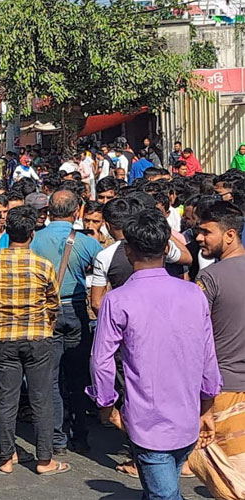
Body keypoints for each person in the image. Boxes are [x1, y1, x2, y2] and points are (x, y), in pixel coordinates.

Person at [87, 209, 221, 499]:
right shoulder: (193, 294)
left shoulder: (117, 299)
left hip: (147, 422)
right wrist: (207, 407)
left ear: (128, 250)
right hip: (186, 415)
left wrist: (107, 404)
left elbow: (101, 360)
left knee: (163, 494)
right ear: (166, 248)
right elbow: (208, 356)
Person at [0, 206, 67, 475]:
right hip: (38, 337)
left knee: (7, 401)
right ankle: (44, 459)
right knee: (41, 399)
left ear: (6, 232)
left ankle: (6, 458)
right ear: (31, 234)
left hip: (5, 338)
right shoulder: (43, 265)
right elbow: (54, 301)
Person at [30, 190, 103, 454]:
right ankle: (80, 434)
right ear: (77, 213)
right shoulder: (87, 243)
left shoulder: (35, 240)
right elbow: (103, 269)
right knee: (78, 376)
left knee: (49, 379)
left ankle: (55, 439)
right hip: (76, 310)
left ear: (48, 210)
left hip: (44, 312)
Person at [192, 202, 245, 485]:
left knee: (230, 480)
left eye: (206, 232)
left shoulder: (210, 277)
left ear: (229, 235)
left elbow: (197, 333)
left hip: (224, 388)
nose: (199, 238)